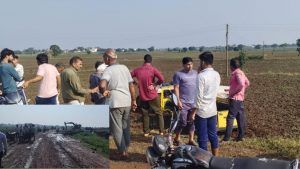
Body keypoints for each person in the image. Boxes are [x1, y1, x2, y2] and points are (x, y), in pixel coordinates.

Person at [99, 48, 136, 159]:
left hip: (115, 102)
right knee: (125, 126)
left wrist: (103, 91)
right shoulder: (124, 68)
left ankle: (122, 152)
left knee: (117, 128)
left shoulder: (108, 70)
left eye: (103, 57)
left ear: (107, 58)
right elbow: (131, 86)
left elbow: (102, 85)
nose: (103, 59)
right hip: (127, 101)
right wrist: (134, 100)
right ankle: (126, 147)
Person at [191, 51, 220, 156]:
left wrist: (193, 112)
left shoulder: (201, 76)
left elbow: (199, 97)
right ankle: (216, 159)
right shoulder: (216, 74)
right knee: (213, 135)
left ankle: (205, 162)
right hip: (212, 109)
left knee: (202, 138)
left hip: (202, 112)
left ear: (203, 62)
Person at [131, 54, 164, 136]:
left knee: (145, 114)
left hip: (143, 96)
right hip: (152, 95)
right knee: (159, 112)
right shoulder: (153, 69)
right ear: (151, 61)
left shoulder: (137, 70)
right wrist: (155, 84)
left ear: (144, 60)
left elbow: (128, 75)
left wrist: (135, 82)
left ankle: (146, 132)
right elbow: (162, 79)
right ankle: (161, 131)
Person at [222, 58, 250, 142]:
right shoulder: (241, 72)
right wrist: (233, 90)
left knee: (230, 118)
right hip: (240, 98)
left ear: (231, 66)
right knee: (240, 117)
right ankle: (241, 136)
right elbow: (247, 83)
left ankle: (226, 138)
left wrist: (233, 92)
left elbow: (241, 84)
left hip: (235, 98)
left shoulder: (236, 73)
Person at [172, 57, 197, 146]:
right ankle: (177, 137)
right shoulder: (178, 74)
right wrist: (178, 100)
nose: (189, 66)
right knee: (182, 121)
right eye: (187, 64)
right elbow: (176, 87)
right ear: (183, 65)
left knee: (192, 121)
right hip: (183, 102)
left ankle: (191, 139)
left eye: (191, 64)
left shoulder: (196, 74)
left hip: (193, 102)